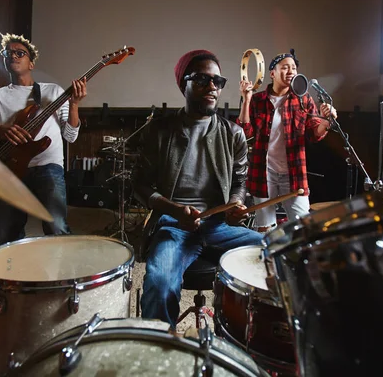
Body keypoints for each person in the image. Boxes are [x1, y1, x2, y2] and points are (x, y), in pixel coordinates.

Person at [133, 49, 263, 329]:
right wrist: (174, 209)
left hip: (218, 225)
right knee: (159, 283)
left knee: (272, 251)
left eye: (217, 81)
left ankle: (247, 338)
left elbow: (240, 182)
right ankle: (158, 353)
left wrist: (235, 204)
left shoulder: (233, 133)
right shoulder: (159, 131)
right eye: (202, 79)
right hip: (174, 224)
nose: (212, 87)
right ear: (184, 84)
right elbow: (140, 185)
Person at [0, 33, 87, 244]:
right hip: (10, 169)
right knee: (7, 235)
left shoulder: (53, 92)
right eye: (8, 53)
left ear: (31, 63)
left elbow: (70, 136)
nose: (13, 56)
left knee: (57, 227)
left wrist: (75, 105)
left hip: (47, 166)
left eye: (19, 53)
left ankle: (60, 275)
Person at [237, 49, 337, 232]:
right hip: (264, 174)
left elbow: (315, 132)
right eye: (285, 67)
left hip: (294, 174)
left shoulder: (303, 100)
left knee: (303, 228)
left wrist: (327, 120)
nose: (291, 71)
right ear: (272, 73)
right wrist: (246, 99)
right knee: (264, 229)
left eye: (293, 68)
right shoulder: (257, 100)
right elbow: (245, 133)